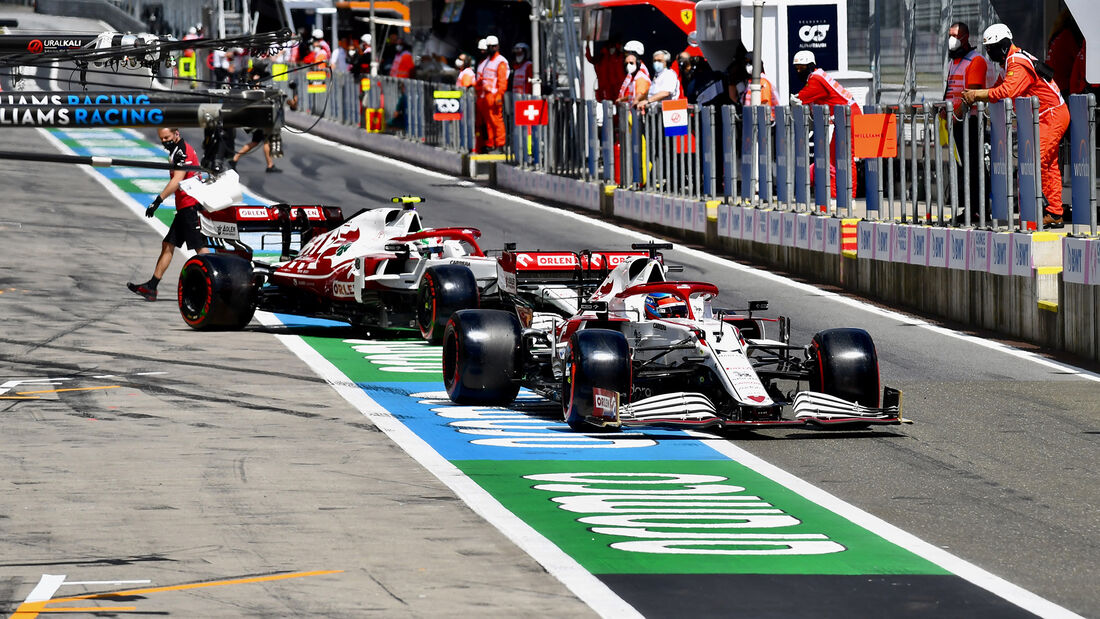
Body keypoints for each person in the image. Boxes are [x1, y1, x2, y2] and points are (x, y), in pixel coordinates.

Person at [963, 24, 1070, 227]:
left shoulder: (1017, 63)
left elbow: (1007, 91)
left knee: (1036, 162)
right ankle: (1054, 213)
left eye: (991, 48)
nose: (989, 53)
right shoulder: (1011, 62)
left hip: (1052, 115)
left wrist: (977, 94)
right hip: (1049, 114)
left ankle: (1047, 210)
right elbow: (997, 87)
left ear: (1002, 46)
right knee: (1047, 165)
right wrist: (978, 93)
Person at [127, 128, 211, 302]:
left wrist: (157, 200)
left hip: (191, 206)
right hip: (184, 207)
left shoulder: (182, 151)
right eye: (162, 138)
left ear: (176, 134)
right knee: (168, 244)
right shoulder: (176, 150)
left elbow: (177, 179)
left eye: (167, 137)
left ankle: (214, 287)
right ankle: (151, 287)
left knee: (201, 250)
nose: (164, 141)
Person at [792, 50, 862, 203]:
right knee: (833, 158)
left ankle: (849, 197)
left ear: (810, 66)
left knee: (846, 157)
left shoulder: (816, 79)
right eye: (796, 68)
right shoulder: (816, 76)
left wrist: (796, 100)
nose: (798, 71)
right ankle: (836, 196)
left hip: (849, 116)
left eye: (801, 68)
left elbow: (801, 98)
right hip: (843, 116)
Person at [943, 22, 988, 225]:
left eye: (955, 34)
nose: (951, 38)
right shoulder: (954, 61)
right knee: (965, 167)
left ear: (965, 36)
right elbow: (951, 89)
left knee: (975, 166)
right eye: (950, 34)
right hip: (957, 121)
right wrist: (945, 112)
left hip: (970, 120)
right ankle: (969, 208)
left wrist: (955, 115)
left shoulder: (976, 61)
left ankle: (980, 210)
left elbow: (972, 94)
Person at [232, 74, 281, 173]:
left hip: (260, 120)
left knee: (256, 142)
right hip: (260, 121)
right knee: (265, 142)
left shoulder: (254, 92)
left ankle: (235, 158)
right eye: (257, 82)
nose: (259, 83)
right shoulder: (253, 93)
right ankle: (270, 165)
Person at [475, 35, 509, 153]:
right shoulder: (487, 62)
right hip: (485, 96)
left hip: (494, 96)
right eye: (490, 46)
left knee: (497, 121)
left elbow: (502, 81)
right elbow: (482, 78)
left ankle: (500, 144)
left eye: (494, 46)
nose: (492, 49)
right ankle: (491, 143)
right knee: (488, 122)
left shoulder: (501, 62)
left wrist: (499, 96)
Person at [1045, 10, 1082, 95]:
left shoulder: (1057, 35)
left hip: (1052, 83)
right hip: (1061, 86)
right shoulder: (1067, 37)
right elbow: (1079, 58)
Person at [739, 54, 777, 120]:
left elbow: (765, 103)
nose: (748, 65)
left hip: (763, 121)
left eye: (751, 62)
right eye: (746, 63)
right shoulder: (750, 82)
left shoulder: (762, 82)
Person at [586, 37, 624, 102]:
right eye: (611, 48)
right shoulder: (602, 58)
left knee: (619, 104)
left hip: (618, 87)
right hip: (605, 88)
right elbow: (590, 59)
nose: (612, 50)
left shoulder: (619, 57)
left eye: (613, 48)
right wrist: (587, 46)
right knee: (606, 104)